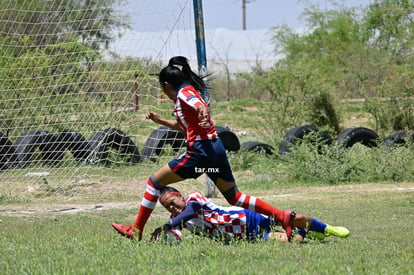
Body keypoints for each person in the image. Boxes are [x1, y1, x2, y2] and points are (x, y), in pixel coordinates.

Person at [111, 56, 315, 241]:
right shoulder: (183, 96)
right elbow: (184, 126)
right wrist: (160, 120)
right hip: (215, 148)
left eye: (161, 87)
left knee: (154, 181)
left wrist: (202, 109)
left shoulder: (185, 92)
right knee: (235, 196)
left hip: (199, 151)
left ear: (165, 85)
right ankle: (282, 216)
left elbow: (199, 104)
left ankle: (136, 229)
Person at [150, 186, 350, 243]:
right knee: (289, 241)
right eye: (168, 208)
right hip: (245, 236)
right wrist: (161, 235)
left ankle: (327, 229)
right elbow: (174, 236)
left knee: (293, 218)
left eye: (173, 203)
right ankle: (308, 233)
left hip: (248, 217)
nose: (173, 209)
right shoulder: (177, 222)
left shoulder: (194, 198)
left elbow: (190, 212)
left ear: (179, 195)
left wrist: (170, 224)